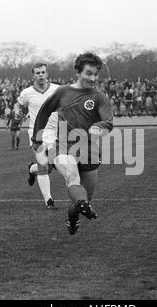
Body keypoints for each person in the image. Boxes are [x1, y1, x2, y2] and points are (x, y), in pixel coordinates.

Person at [31, 52, 113, 235]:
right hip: (64, 147)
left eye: (96, 74)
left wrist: (100, 126)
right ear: (78, 72)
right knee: (72, 178)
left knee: (85, 198)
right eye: (88, 73)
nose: (93, 78)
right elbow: (43, 113)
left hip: (89, 150)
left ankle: (73, 217)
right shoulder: (62, 92)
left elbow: (108, 121)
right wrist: (37, 139)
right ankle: (80, 205)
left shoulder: (99, 97)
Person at [17, 63, 60, 210]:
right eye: (37, 73)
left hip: (55, 133)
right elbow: (19, 105)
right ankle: (49, 201)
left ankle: (31, 170)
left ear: (47, 74)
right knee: (44, 167)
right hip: (37, 134)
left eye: (43, 72)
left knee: (50, 167)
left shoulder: (57, 90)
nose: (41, 75)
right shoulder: (27, 93)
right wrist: (18, 112)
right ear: (33, 75)